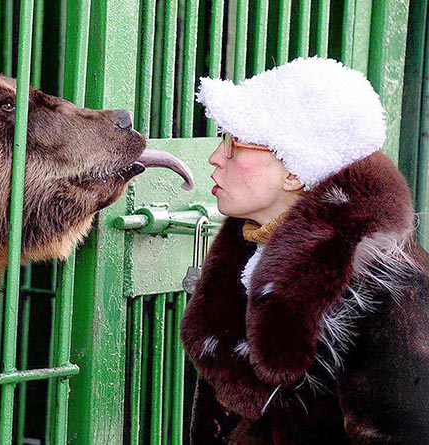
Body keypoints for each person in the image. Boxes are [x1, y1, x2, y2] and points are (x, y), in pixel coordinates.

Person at [180, 57, 429, 444]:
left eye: (235, 144)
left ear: (295, 169)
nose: (215, 157)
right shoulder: (251, 252)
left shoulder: (392, 290)